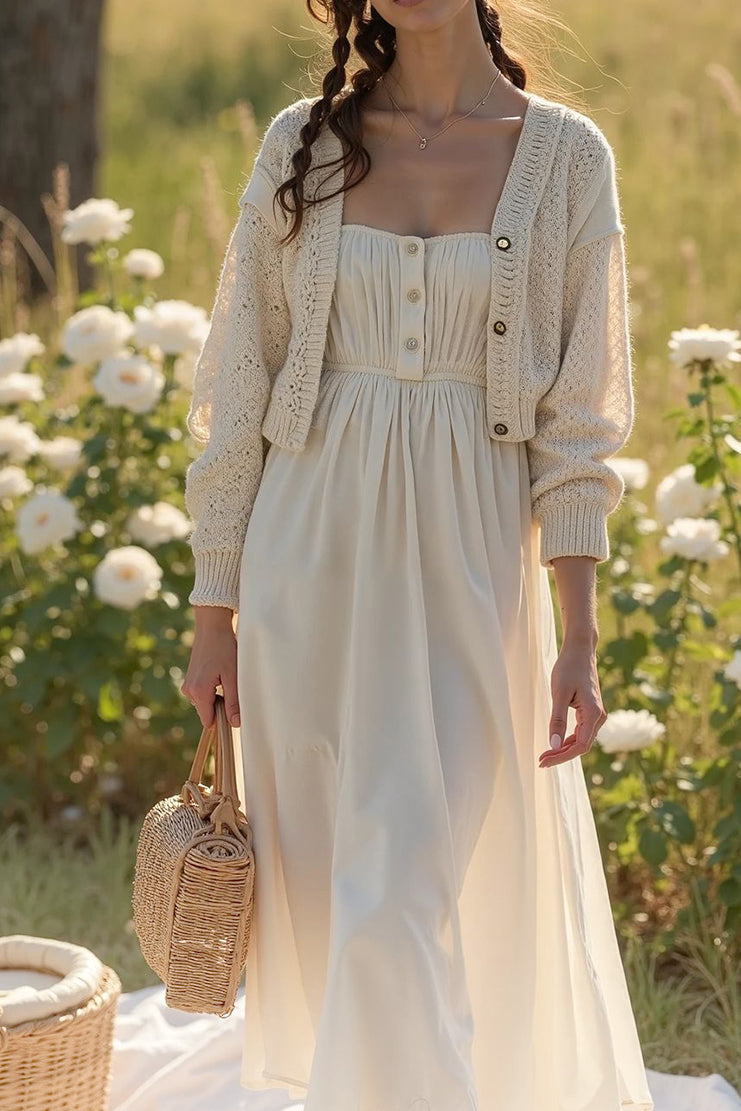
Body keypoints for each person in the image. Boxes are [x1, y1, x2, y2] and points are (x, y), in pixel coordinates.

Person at [181, 1, 655, 1109]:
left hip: (474, 568)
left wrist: (578, 633)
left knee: (405, 893)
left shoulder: (565, 160)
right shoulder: (301, 143)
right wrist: (216, 610)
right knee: (362, 907)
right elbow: (240, 381)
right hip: (311, 565)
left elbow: (580, 419)